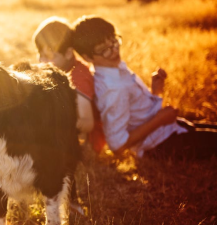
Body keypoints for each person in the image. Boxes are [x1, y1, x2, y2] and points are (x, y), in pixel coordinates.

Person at [70, 15, 217, 159]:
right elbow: (117, 145)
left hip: (171, 128)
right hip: (163, 144)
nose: (114, 50)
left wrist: (156, 91)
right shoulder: (112, 89)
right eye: (104, 49)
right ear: (88, 57)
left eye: (114, 41)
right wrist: (159, 120)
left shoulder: (115, 69)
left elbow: (139, 113)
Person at [33, 16, 106, 153]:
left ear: (68, 53)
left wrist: (59, 125)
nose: (42, 61)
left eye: (49, 57)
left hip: (87, 141)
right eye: (40, 55)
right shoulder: (56, 70)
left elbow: (87, 123)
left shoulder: (78, 77)